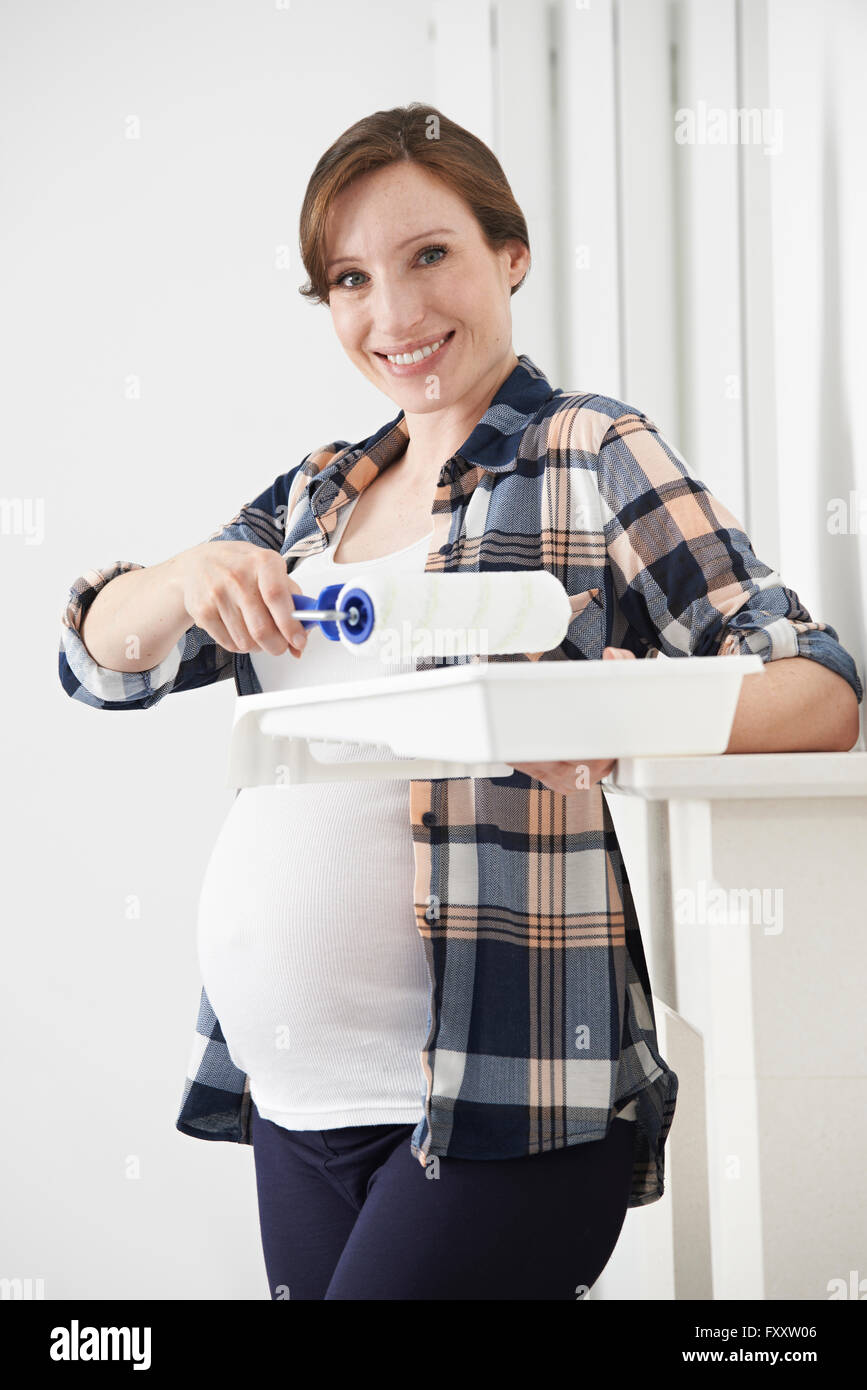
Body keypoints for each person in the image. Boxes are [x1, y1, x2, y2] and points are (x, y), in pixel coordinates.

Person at [59, 103, 862, 1301]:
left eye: (430, 255)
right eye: (349, 279)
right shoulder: (319, 494)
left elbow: (819, 687)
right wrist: (177, 576)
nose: (395, 314)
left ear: (510, 254)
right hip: (295, 1107)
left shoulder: (591, 450)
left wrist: (614, 708)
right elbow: (105, 666)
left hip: (502, 1104)